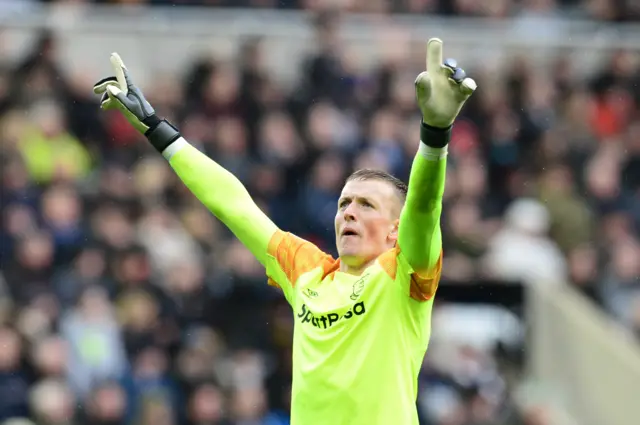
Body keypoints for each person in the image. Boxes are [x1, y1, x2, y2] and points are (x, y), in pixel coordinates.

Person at [93, 38, 476, 425]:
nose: (349, 214)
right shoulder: (307, 271)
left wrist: (435, 133)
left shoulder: (405, 272)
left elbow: (425, 206)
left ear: (395, 231)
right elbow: (234, 206)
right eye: (344, 204)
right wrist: (158, 130)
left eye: (366, 205)